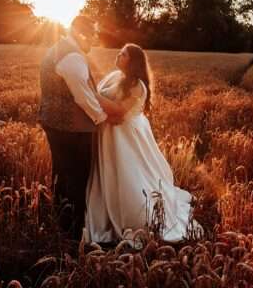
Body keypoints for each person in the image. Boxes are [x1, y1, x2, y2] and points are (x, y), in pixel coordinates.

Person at [85, 43, 201, 244]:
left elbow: (120, 112)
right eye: (119, 51)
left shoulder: (138, 86)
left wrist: (92, 95)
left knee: (128, 172)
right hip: (110, 132)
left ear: (133, 61)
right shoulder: (115, 77)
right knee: (109, 171)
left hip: (125, 136)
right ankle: (104, 205)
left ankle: (136, 215)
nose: (118, 55)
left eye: (123, 54)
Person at [38, 15, 114, 240]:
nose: (94, 39)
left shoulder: (59, 49)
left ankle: (61, 220)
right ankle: (74, 231)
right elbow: (82, 96)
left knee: (62, 173)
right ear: (80, 33)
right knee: (79, 178)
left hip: (54, 122)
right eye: (91, 34)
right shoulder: (72, 57)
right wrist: (101, 118)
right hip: (73, 128)